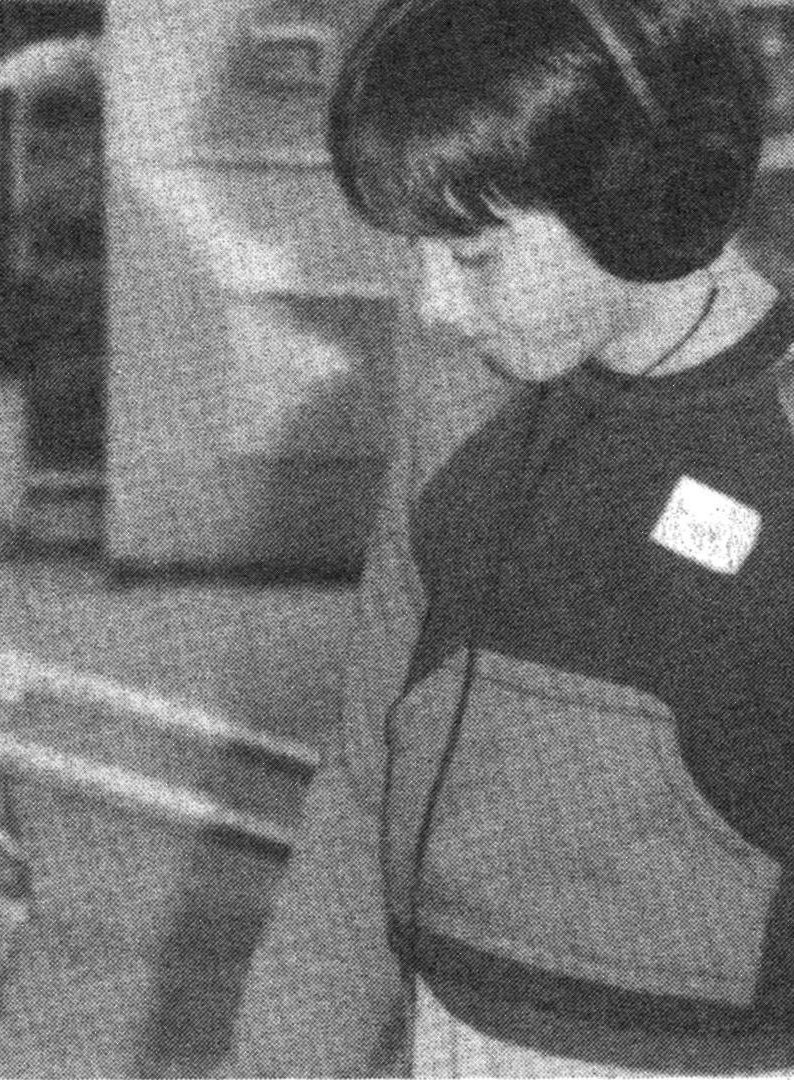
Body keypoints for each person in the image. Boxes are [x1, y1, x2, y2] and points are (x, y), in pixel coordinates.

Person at [226, 0, 794, 1074]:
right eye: (418, 254)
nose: (434, 307)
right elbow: (367, 771)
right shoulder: (460, 405)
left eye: (475, 256)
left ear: (644, 200)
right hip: (456, 1036)